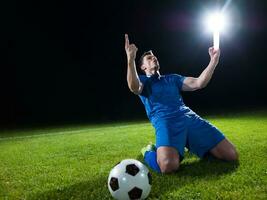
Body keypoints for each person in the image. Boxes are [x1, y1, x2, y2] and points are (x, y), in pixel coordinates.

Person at [124, 34, 238, 174]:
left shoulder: (173, 78)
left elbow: (198, 83)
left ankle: (189, 144)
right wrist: (130, 59)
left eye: (154, 56)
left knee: (231, 155)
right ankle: (148, 151)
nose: (153, 58)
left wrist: (213, 61)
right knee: (168, 166)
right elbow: (133, 87)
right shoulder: (143, 81)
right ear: (143, 67)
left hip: (188, 117)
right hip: (165, 122)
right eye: (149, 58)